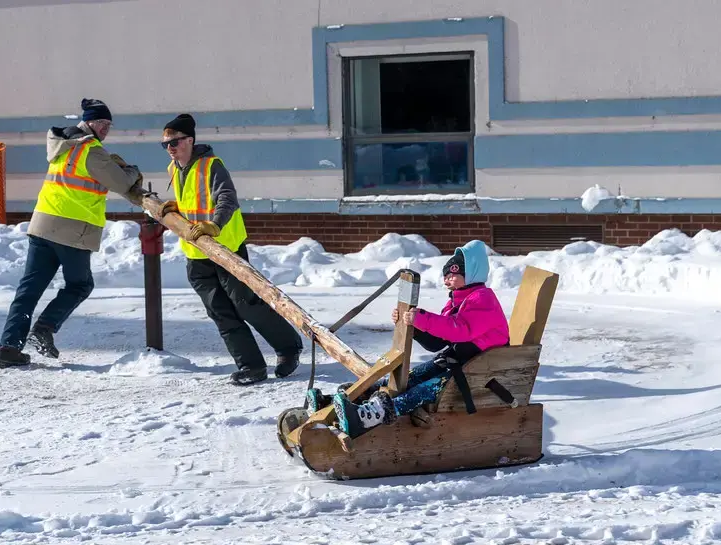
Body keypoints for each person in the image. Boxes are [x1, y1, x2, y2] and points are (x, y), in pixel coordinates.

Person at [0, 98, 149, 368]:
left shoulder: (61, 145)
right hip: (71, 228)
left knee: (29, 290)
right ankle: (44, 329)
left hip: (43, 223)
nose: (105, 129)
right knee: (80, 284)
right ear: (87, 122)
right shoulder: (90, 149)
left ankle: (8, 347)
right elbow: (121, 182)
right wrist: (132, 171)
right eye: (101, 123)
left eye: (109, 124)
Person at [151, 113, 302, 385]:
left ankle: (289, 348)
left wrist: (215, 225)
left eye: (174, 143)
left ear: (190, 140)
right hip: (196, 254)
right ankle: (251, 367)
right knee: (221, 313)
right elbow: (193, 199)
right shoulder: (174, 169)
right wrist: (177, 207)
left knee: (246, 305)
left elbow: (226, 198)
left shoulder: (212, 165)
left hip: (226, 249)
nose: (170, 149)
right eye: (165, 145)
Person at [307, 240, 509, 438]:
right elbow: (438, 342)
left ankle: (366, 417)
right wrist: (414, 325)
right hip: (459, 362)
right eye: (445, 275)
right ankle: (346, 400)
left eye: (453, 274)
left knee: (424, 390)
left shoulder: (483, 299)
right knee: (409, 378)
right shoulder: (457, 301)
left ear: (471, 272)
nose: (447, 280)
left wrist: (423, 319)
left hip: (482, 371)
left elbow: (460, 330)